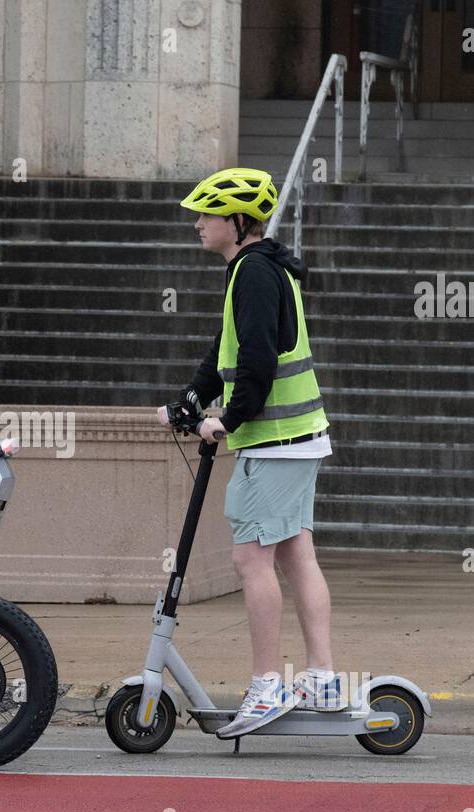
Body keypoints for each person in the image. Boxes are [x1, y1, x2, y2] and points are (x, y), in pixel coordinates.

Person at [159, 168, 342, 738]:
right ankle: (322, 678)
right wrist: (191, 399)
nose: (197, 224)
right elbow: (226, 352)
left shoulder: (255, 275)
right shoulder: (255, 269)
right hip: (298, 438)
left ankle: (267, 685)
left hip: (275, 441)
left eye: (206, 215)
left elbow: (258, 364)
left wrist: (226, 421)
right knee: (295, 555)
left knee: (250, 560)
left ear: (237, 222)